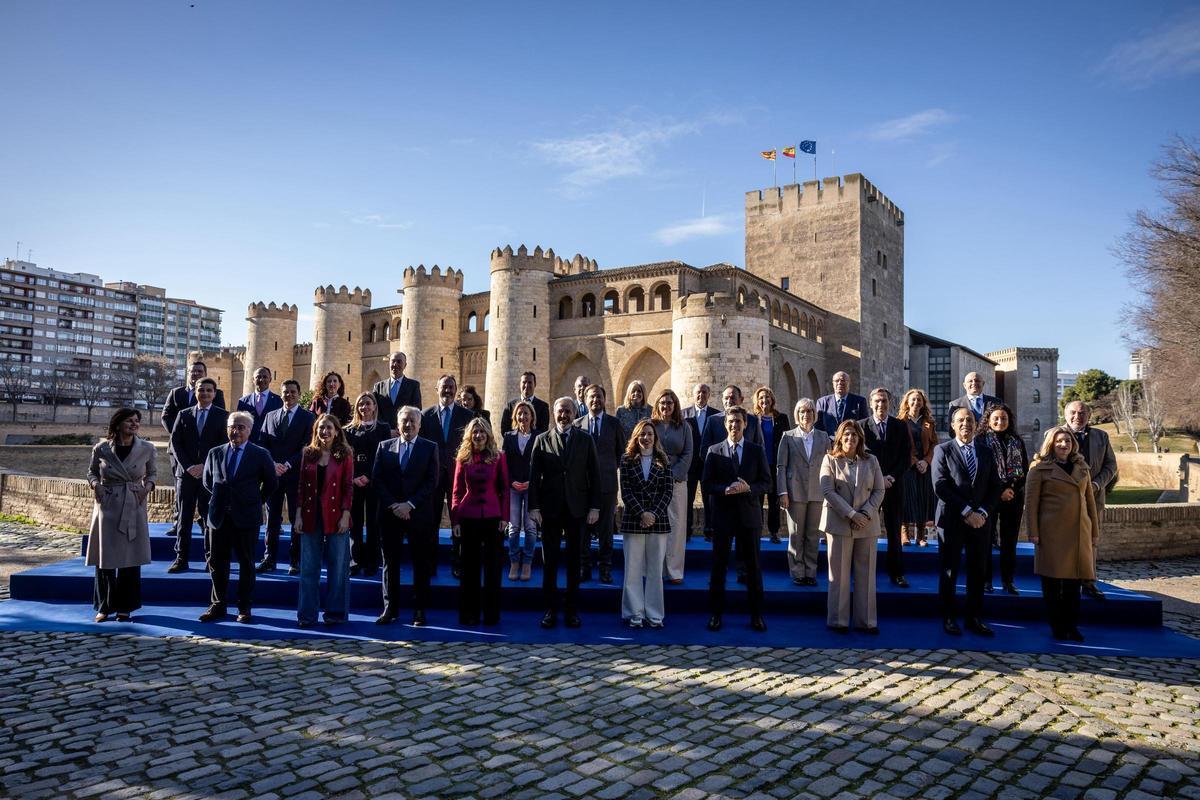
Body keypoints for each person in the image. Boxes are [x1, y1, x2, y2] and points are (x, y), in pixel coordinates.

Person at [529, 397, 601, 629]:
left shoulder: (585, 439)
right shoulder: (541, 440)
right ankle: (550, 610)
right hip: (549, 511)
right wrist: (534, 507)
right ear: (553, 413)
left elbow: (594, 476)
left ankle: (571, 611)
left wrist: (594, 507)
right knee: (549, 563)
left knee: (573, 562)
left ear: (574, 413)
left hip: (577, 509)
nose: (564, 415)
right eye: (560, 411)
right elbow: (533, 478)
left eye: (568, 411)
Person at [200, 411, 278, 624]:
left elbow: (271, 483)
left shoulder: (260, 454)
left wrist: (255, 500)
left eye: (241, 427)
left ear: (250, 430)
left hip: (247, 518)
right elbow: (208, 482)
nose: (236, 431)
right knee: (217, 563)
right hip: (218, 518)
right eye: (232, 427)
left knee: (246, 564)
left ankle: (244, 607)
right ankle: (218, 605)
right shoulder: (215, 453)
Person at [932, 407, 1003, 637]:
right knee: (950, 570)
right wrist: (966, 511)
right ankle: (949, 617)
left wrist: (982, 512)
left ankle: (974, 618)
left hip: (981, 523)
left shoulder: (986, 452)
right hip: (952, 520)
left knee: (978, 571)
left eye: (970, 420)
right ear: (952, 425)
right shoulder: (942, 450)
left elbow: (995, 487)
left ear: (976, 424)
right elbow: (940, 486)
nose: (965, 424)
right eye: (960, 420)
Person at [1025, 426, 1100, 642]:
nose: (1064, 444)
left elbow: (1090, 503)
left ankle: (1072, 626)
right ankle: (1057, 626)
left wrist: (1094, 531)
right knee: (1052, 584)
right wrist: (1033, 533)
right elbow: (1031, 504)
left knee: (1073, 585)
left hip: (1079, 533)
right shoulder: (1039, 469)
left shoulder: (1082, 468)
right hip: (1051, 533)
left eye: (1067, 441)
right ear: (1050, 444)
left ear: (1073, 444)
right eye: (1059, 441)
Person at [702, 406, 770, 633]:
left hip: (749, 517)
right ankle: (715, 614)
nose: (734, 425)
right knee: (719, 567)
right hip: (723, 517)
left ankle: (757, 615)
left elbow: (767, 483)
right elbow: (707, 484)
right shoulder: (714, 450)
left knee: (753, 568)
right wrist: (725, 490)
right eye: (730, 422)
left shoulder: (756, 450)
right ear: (725, 424)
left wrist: (748, 488)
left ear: (745, 424)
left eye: (738, 421)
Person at [373, 405, 440, 626]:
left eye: (413, 421)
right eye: (404, 421)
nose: (408, 425)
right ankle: (389, 609)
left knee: (421, 564)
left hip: (418, 515)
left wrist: (409, 504)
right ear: (398, 423)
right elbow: (378, 480)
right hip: (390, 515)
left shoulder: (430, 448)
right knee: (389, 564)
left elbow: (432, 482)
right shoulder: (384, 447)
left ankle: (419, 610)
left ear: (420, 425)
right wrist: (394, 505)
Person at [86, 409, 155, 622]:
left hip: (133, 503)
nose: (134, 424)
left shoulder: (148, 448)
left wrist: (146, 488)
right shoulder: (101, 448)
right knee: (105, 559)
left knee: (130, 559)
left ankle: (126, 607)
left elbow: (152, 473)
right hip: (107, 505)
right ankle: (104, 606)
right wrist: (95, 485)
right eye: (129, 421)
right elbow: (91, 472)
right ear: (117, 424)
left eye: (137, 421)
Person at [819, 420, 886, 633]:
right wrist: (851, 514)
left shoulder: (872, 460)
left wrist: (865, 513)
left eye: (854, 435)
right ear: (839, 438)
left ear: (860, 439)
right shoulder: (829, 460)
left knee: (866, 573)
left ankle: (866, 621)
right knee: (838, 575)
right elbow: (828, 491)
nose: (850, 439)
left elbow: (879, 490)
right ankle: (838, 620)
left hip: (866, 523)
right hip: (839, 522)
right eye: (846, 435)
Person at [294, 414, 354, 628]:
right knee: (309, 568)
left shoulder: (344, 455)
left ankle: (335, 614)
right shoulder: (308, 454)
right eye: (321, 428)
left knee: (338, 568)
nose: (325, 432)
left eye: (329, 428)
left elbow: (348, 486)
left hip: (336, 515)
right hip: (311, 515)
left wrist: (346, 514)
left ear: (337, 431)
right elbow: (301, 486)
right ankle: (307, 615)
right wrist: (298, 514)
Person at [450, 417, 510, 625]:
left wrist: (505, 517)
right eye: (475, 432)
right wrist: (455, 520)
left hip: (493, 517)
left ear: (488, 435)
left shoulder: (499, 457)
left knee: (493, 568)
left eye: (482, 432)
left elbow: (504, 489)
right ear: (470, 435)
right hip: (469, 517)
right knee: (470, 568)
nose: (479, 435)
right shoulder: (463, 458)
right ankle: (469, 613)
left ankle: (491, 614)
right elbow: (456, 491)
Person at [167, 378, 228, 573]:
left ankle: (211, 559)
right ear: (195, 392)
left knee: (208, 519)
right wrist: (189, 466)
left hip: (209, 477)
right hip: (186, 476)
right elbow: (175, 443)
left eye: (209, 391)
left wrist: (205, 467)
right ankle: (181, 558)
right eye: (201, 390)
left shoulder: (222, 416)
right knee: (184, 519)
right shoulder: (184, 415)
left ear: (214, 393)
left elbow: (222, 446)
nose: (205, 394)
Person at [619, 420, 674, 628]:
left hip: (658, 522)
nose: (646, 438)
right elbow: (626, 491)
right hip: (634, 519)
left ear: (655, 437)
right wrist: (642, 513)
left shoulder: (663, 460)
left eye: (650, 434)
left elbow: (667, 492)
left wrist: (652, 514)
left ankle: (654, 614)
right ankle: (635, 613)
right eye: (642, 434)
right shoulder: (626, 460)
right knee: (632, 569)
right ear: (636, 436)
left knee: (654, 571)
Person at [257, 380, 316, 574]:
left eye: (292, 392)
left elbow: (308, 446)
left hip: (295, 476)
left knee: (295, 518)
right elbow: (262, 444)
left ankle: (295, 560)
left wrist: (289, 464)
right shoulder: (270, 416)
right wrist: (272, 464)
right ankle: (269, 558)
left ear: (299, 394)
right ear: (281, 394)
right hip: (273, 476)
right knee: (272, 520)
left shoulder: (308, 418)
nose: (288, 395)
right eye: (285, 392)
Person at [420, 374, 475, 577]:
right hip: (433, 476)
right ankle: (430, 563)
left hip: (458, 476)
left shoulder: (467, 416)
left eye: (451, 387)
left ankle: (458, 562)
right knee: (430, 521)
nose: (448, 391)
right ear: (437, 389)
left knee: (458, 520)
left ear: (456, 389)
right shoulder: (426, 416)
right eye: (444, 387)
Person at [1064, 400, 1118, 600]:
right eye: (1073, 412)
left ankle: (1089, 582)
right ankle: (1065, 580)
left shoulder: (1101, 436)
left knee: (1091, 540)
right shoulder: (1054, 435)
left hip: (1094, 497)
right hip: (1064, 499)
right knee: (1065, 540)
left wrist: (1096, 484)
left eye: (1082, 413)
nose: (1077, 417)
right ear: (1065, 414)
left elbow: (1111, 466)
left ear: (1089, 416)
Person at [859, 388, 911, 588]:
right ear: (871, 403)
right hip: (870, 488)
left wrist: (892, 477)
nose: (881, 405)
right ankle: (864, 572)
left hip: (894, 486)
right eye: (877, 401)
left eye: (884, 401)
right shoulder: (862, 426)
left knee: (894, 531)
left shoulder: (899, 426)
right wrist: (879, 478)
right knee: (866, 531)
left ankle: (896, 573)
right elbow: (862, 454)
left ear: (890, 403)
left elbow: (905, 456)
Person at [574, 383, 626, 584]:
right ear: (585, 400)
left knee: (606, 532)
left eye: (598, 397)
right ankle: (584, 567)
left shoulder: (614, 424)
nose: (595, 400)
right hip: (582, 487)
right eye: (591, 397)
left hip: (607, 487)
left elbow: (621, 455)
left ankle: (605, 569)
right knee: (583, 532)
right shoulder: (578, 425)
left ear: (605, 400)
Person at [777, 398, 831, 586]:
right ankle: (797, 572)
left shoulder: (823, 437)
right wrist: (782, 492)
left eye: (809, 411)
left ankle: (811, 571)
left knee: (813, 534)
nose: (805, 415)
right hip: (795, 492)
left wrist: (829, 492)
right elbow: (781, 466)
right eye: (802, 412)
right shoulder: (788, 436)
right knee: (796, 534)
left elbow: (829, 466)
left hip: (817, 492)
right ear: (796, 415)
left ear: (814, 415)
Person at [979, 403, 1028, 595]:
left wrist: (1010, 488)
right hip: (988, 498)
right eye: (996, 419)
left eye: (1004, 418)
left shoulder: (1017, 440)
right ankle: (986, 580)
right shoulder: (981, 440)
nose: (1000, 422)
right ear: (988, 421)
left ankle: (1008, 581)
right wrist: (999, 490)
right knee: (986, 541)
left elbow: (1023, 469)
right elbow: (982, 472)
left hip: (1013, 498)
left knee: (1009, 542)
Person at [345, 393, 391, 577]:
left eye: (368, 403)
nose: (364, 407)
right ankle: (355, 560)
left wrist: (372, 477)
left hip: (375, 482)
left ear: (374, 406)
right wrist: (355, 477)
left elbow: (386, 456)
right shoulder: (348, 430)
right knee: (354, 523)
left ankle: (372, 562)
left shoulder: (383, 428)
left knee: (374, 523)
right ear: (357, 407)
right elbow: (345, 457)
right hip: (355, 482)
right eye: (361, 404)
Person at [652, 389, 693, 584]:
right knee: (656, 525)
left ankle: (675, 571)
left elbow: (688, 453)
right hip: (654, 481)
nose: (666, 406)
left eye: (669, 403)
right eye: (663, 403)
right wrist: (656, 473)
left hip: (677, 482)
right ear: (657, 405)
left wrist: (673, 475)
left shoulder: (684, 426)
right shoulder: (651, 425)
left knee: (676, 526)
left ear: (675, 405)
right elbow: (644, 449)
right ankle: (657, 570)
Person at [502, 401, 539, 581]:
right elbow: (504, 464)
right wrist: (511, 482)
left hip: (532, 488)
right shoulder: (509, 437)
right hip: (514, 487)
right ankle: (514, 562)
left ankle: (527, 563)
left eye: (526, 413)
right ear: (515, 417)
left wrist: (533, 482)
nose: (523, 417)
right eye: (520, 413)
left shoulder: (539, 436)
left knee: (531, 528)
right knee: (514, 527)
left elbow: (542, 464)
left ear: (532, 416)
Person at [897, 388, 938, 547]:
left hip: (925, 467)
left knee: (923, 499)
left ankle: (921, 536)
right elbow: (899, 445)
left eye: (919, 399)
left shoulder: (929, 422)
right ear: (907, 402)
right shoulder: (900, 421)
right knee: (907, 499)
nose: (916, 402)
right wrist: (914, 461)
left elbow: (934, 443)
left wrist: (926, 461)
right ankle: (905, 534)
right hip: (908, 466)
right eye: (913, 399)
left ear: (923, 403)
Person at [752, 386, 791, 544]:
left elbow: (788, 441)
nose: (764, 400)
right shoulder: (753, 419)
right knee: (757, 501)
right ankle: (757, 531)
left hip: (776, 465)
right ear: (757, 400)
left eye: (767, 397)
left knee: (774, 500)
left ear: (772, 400)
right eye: (761, 398)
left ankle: (774, 531)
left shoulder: (781, 418)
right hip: (758, 467)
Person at [682, 383, 720, 540]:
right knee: (688, 499)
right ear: (693, 394)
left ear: (709, 395)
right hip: (689, 465)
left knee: (709, 499)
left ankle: (709, 531)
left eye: (704, 392)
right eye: (698, 392)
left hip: (708, 465)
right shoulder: (684, 414)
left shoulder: (717, 415)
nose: (701, 395)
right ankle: (686, 531)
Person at [161, 359, 227, 436]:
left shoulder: (216, 394)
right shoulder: (175, 393)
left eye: (200, 371)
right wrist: (178, 432)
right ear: (188, 373)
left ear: (205, 374)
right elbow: (166, 417)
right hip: (178, 441)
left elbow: (219, 418)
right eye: (192, 371)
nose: (196, 373)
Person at [373, 351, 422, 432]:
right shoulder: (378, 387)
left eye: (399, 361)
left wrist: (401, 428)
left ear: (405, 365)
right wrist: (388, 430)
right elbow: (375, 412)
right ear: (389, 363)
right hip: (383, 433)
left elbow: (416, 411)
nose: (395, 364)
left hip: (405, 432)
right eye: (393, 361)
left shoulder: (413, 386)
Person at [236, 367, 282, 444]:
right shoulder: (243, 401)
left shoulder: (279, 401)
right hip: (249, 444)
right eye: (258, 377)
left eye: (265, 377)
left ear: (270, 379)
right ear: (253, 380)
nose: (261, 380)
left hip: (270, 445)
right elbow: (239, 424)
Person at [815, 371, 867, 438]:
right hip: (828, 444)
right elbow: (818, 426)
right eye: (837, 381)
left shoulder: (859, 401)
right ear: (833, 383)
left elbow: (863, 425)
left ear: (849, 383)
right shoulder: (822, 402)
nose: (840, 383)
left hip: (850, 443)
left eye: (843, 380)